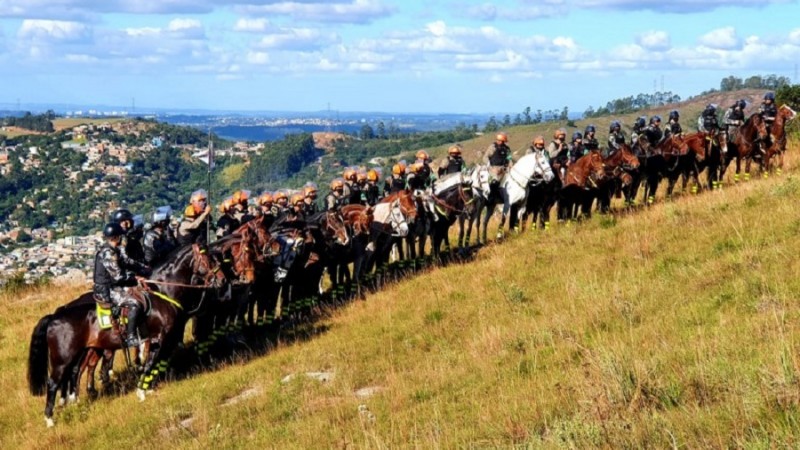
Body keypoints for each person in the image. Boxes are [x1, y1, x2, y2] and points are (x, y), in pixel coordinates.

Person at [94, 223, 148, 347]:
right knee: (135, 304)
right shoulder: (108, 253)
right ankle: (131, 336)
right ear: (117, 237)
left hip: (112, 286)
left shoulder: (113, 250)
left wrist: (143, 268)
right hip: (107, 290)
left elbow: (126, 261)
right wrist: (135, 277)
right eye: (121, 236)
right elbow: (117, 276)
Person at [269, 193, 307, 283]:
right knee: (289, 242)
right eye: (298, 204)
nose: (300, 206)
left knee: (295, 247)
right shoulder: (281, 211)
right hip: (276, 232)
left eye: (302, 204)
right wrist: (287, 221)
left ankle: (286, 267)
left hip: (288, 233)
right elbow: (276, 223)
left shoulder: (298, 213)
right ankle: (277, 265)